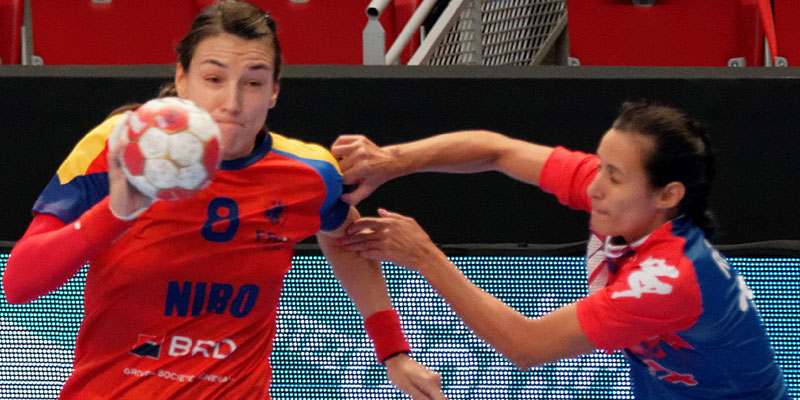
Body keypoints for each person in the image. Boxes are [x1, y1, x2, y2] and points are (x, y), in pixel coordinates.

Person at [2, 2, 444, 399]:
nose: (232, 102)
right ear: (182, 79)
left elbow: (344, 234)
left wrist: (393, 350)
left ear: (274, 91)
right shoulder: (122, 146)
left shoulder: (310, 172)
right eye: (213, 79)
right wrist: (117, 211)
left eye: (253, 82)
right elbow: (19, 284)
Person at [332, 102, 790, 399]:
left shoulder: (669, 278)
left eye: (614, 176)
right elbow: (497, 151)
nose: (594, 187)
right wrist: (393, 160)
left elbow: (526, 346)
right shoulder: (626, 205)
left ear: (668, 195)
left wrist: (425, 257)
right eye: (601, 165)